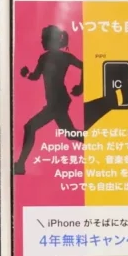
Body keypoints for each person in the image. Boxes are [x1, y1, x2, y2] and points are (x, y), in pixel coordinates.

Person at [13, 25, 82, 175]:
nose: (41, 41)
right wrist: (26, 74)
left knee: (30, 127)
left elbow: (85, 67)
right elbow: (35, 76)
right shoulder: (44, 58)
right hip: (57, 102)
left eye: (43, 39)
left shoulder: (62, 57)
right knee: (71, 134)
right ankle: (99, 143)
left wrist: (81, 87)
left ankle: (20, 165)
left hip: (58, 102)